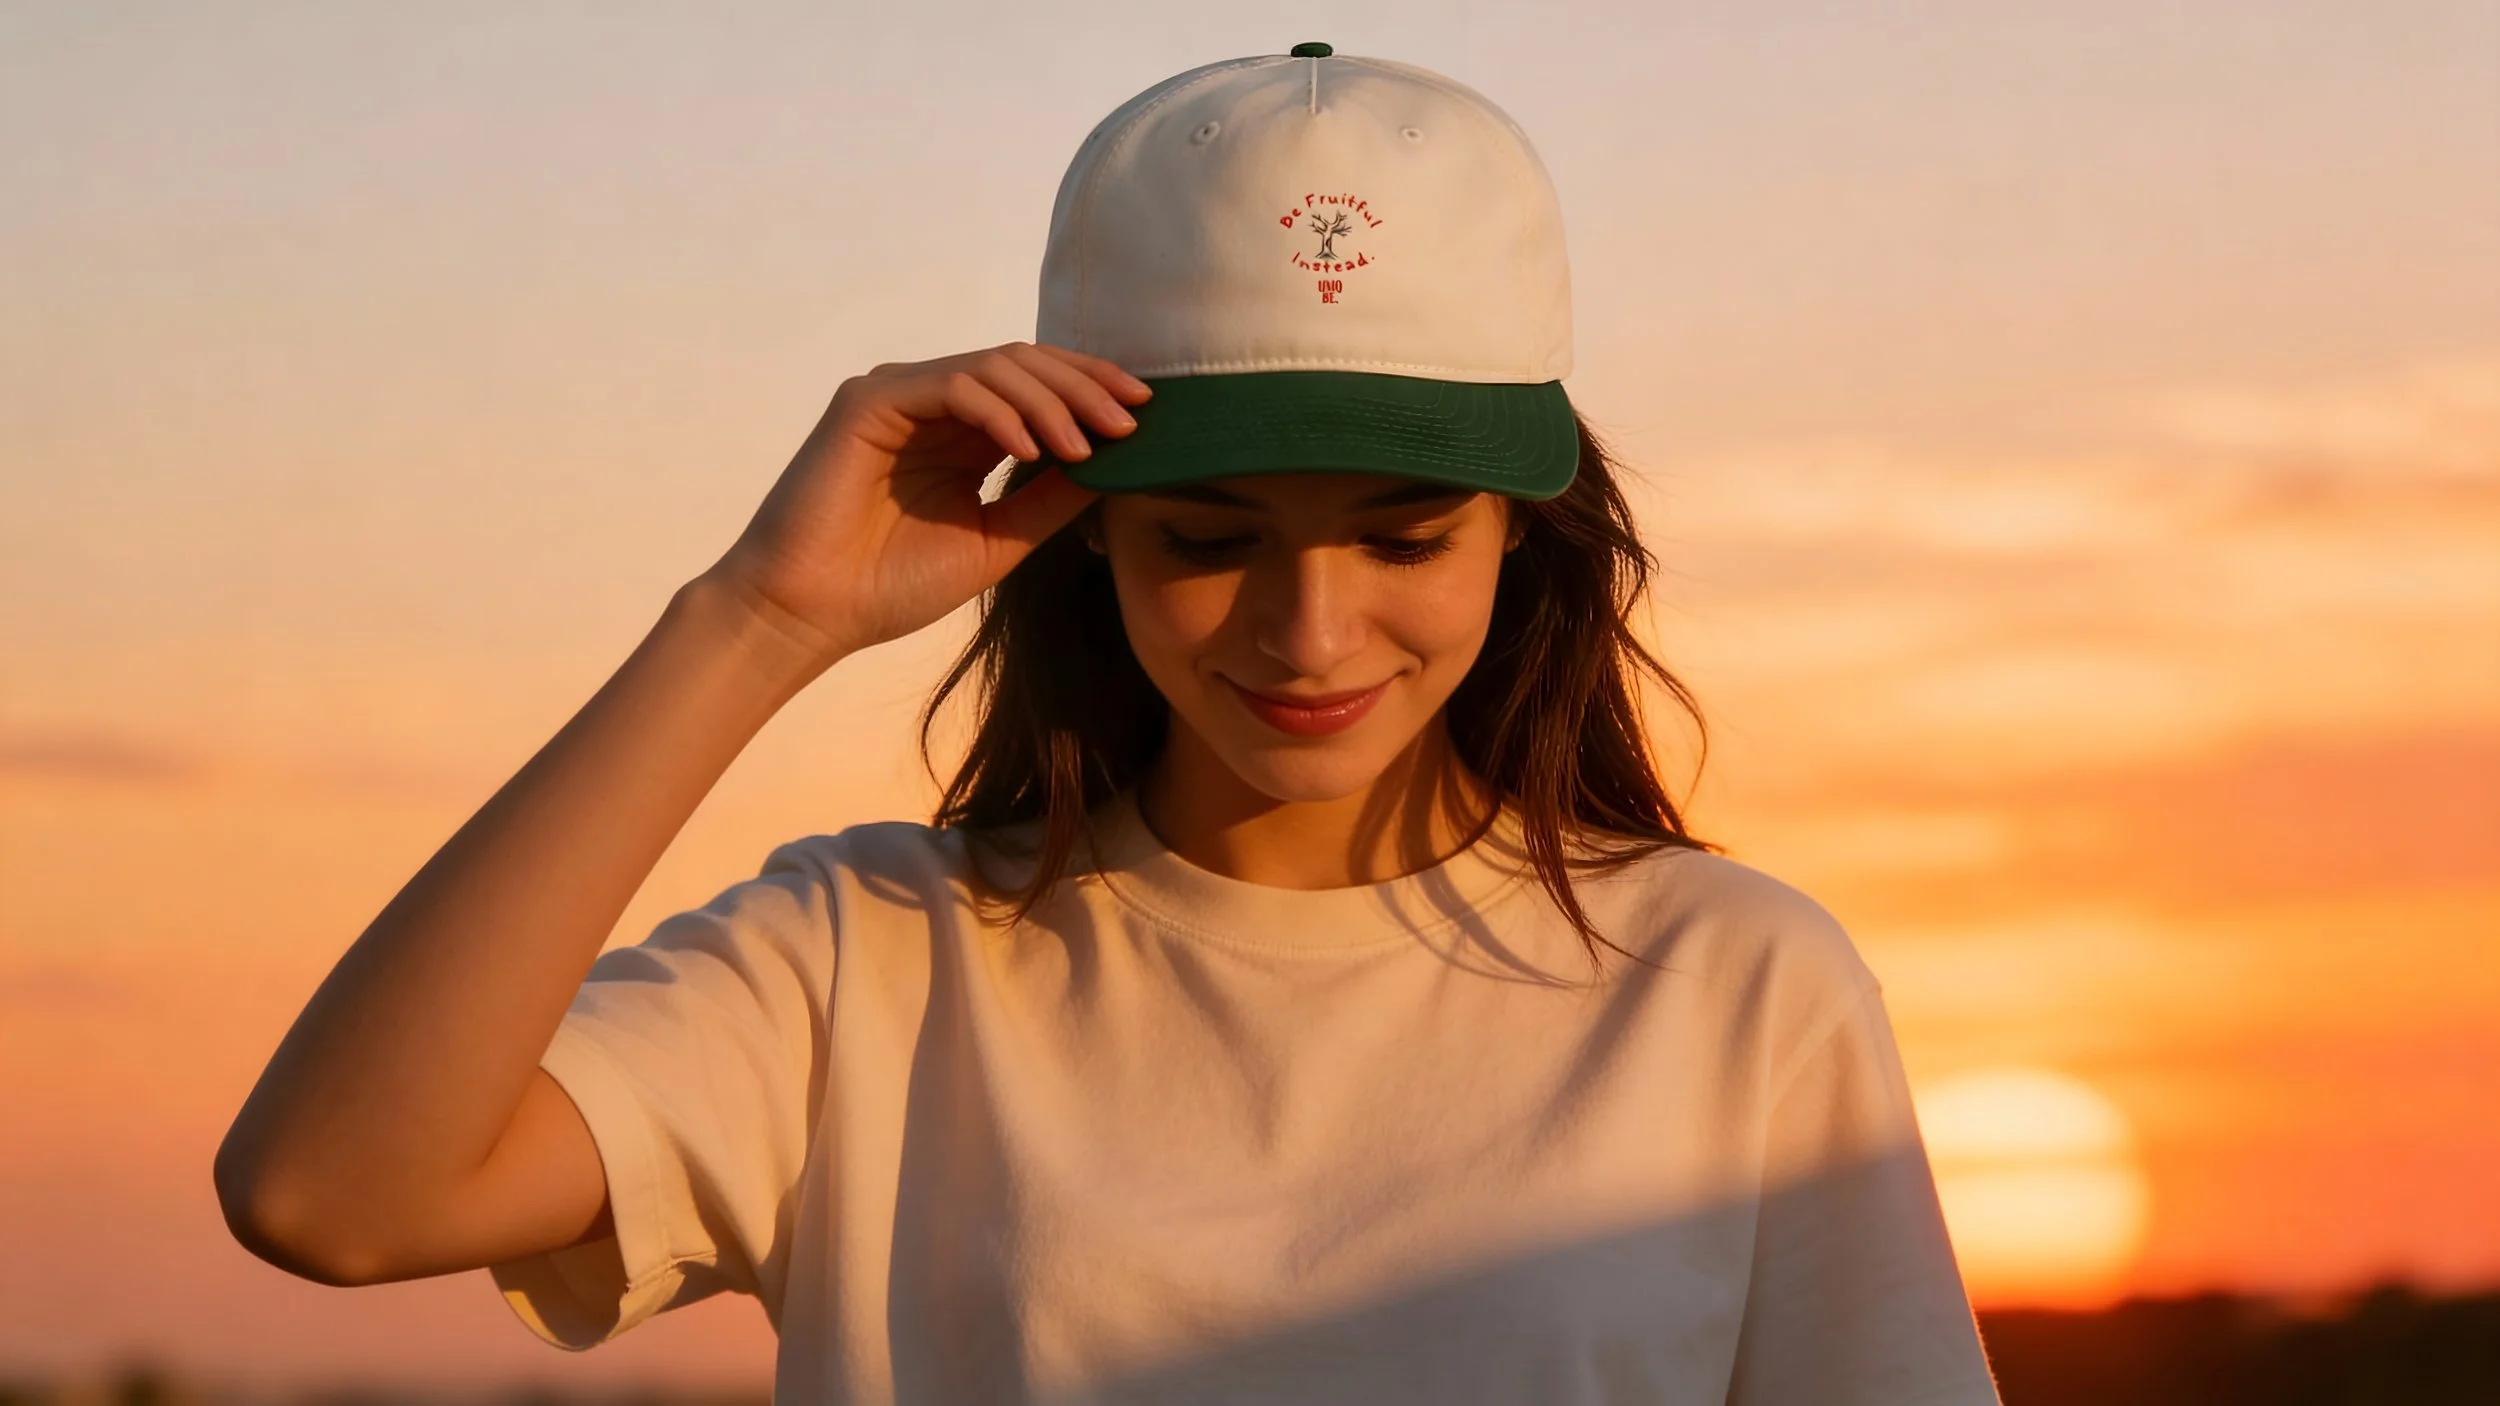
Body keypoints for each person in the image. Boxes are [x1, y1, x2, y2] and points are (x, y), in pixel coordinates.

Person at [215, 44, 2004, 1405]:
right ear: (1089, 540)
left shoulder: (1738, 983)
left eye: (1402, 533)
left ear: (1522, 538)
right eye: (1211, 541)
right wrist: (757, 619)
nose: (1313, 631)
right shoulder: (875, 963)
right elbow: (332, 1193)